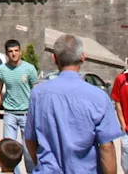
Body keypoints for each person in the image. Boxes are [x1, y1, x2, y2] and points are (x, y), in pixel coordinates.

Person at [26, 33, 122, 174]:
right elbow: (106, 147)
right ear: (82, 57)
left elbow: (30, 140)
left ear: (54, 59)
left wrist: (42, 166)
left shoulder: (38, 94)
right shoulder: (99, 97)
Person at [0, 38, 39, 174]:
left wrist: (37, 113)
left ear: (20, 52)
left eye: (16, 51)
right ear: (6, 53)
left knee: (28, 150)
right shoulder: (2, 69)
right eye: (11, 51)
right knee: (9, 150)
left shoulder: (29, 69)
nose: (14, 54)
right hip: (10, 114)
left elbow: (36, 92)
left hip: (27, 114)